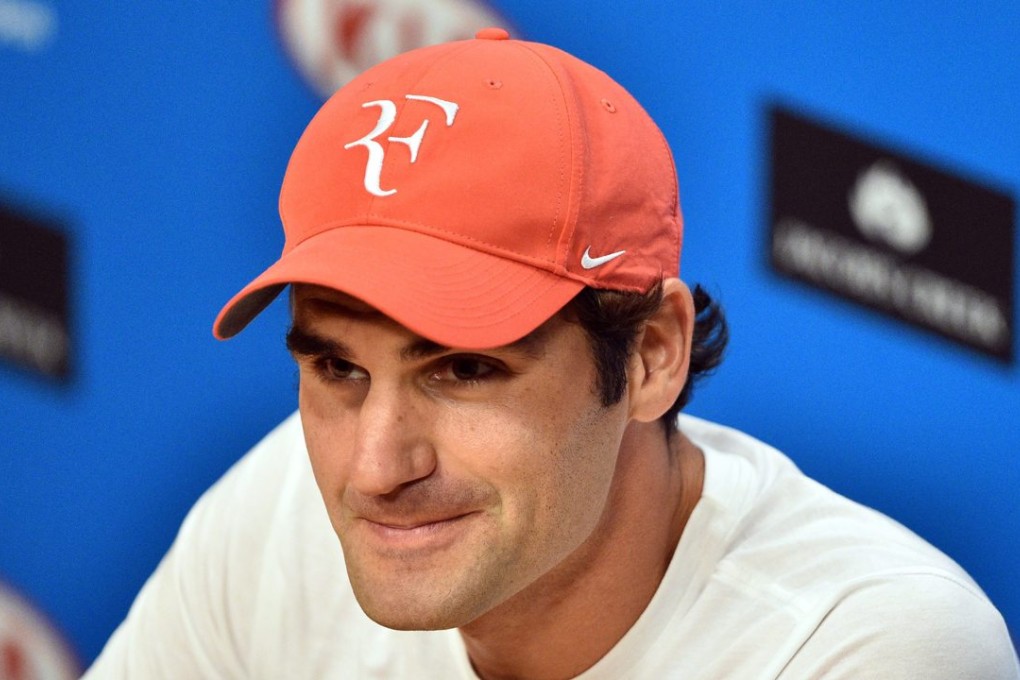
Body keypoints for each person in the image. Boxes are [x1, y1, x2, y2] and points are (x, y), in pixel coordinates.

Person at [84, 28, 1018, 679]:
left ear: (651, 355)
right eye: (338, 370)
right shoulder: (279, 509)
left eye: (462, 369)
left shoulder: (864, 648)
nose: (373, 469)